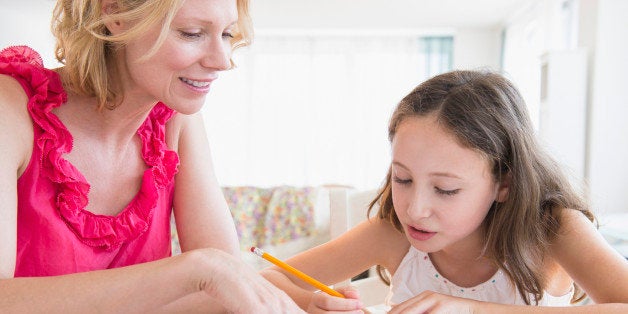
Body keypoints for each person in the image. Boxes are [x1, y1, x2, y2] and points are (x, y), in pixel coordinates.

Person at [0, 0, 303, 312]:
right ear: (116, 14)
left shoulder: (174, 121)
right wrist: (195, 271)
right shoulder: (9, 110)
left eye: (226, 35)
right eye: (192, 33)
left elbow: (226, 287)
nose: (222, 61)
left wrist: (310, 295)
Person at [260, 70, 628, 313]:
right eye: (402, 179)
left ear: (505, 183)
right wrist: (311, 303)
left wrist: (470, 309)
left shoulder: (552, 230)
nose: (415, 210)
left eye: (446, 189)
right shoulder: (392, 233)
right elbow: (265, 280)